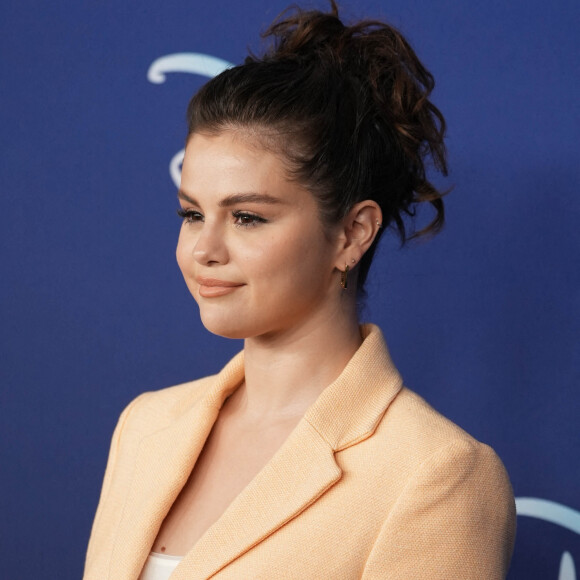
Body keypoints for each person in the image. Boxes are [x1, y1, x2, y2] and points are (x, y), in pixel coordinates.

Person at [84, 2, 516, 578]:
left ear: (351, 234)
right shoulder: (146, 426)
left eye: (247, 218)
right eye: (191, 214)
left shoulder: (436, 472)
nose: (203, 249)